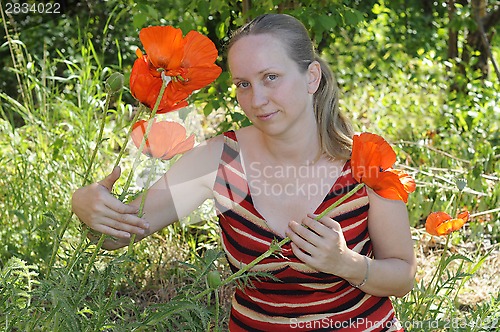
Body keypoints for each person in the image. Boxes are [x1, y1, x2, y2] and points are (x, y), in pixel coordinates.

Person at [72, 13, 416, 331]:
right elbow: (117, 234)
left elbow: (402, 276)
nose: (257, 99)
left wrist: (345, 263)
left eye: (271, 77)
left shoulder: (365, 162)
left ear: (311, 77)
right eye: (243, 84)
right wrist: (88, 208)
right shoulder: (221, 160)